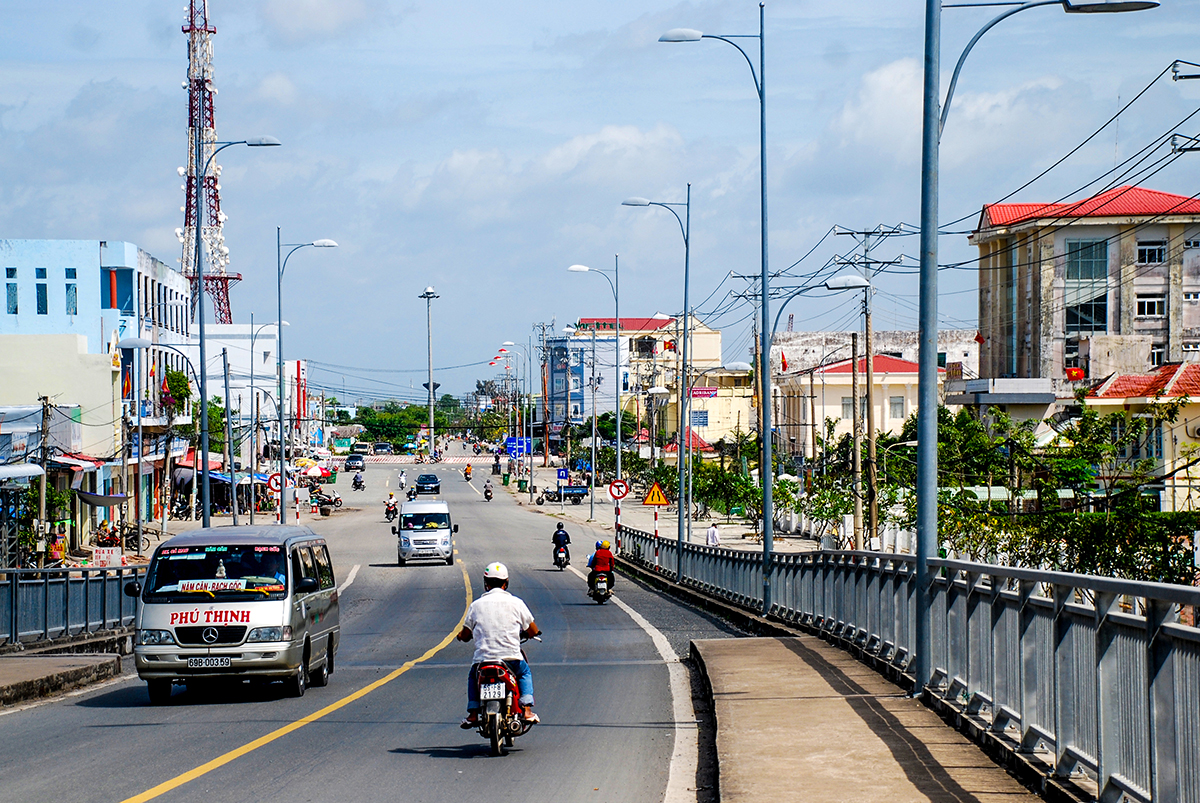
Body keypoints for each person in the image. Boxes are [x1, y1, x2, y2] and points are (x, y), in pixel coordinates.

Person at [457, 562, 540, 728]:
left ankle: (473, 714)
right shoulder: (517, 603)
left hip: (483, 661)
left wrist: (461, 636)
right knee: (524, 673)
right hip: (511, 659)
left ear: (486, 583)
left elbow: (465, 634)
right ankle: (527, 710)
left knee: (473, 677)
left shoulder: (476, 606)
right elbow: (532, 629)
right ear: (506, 582)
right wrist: (531, 634)